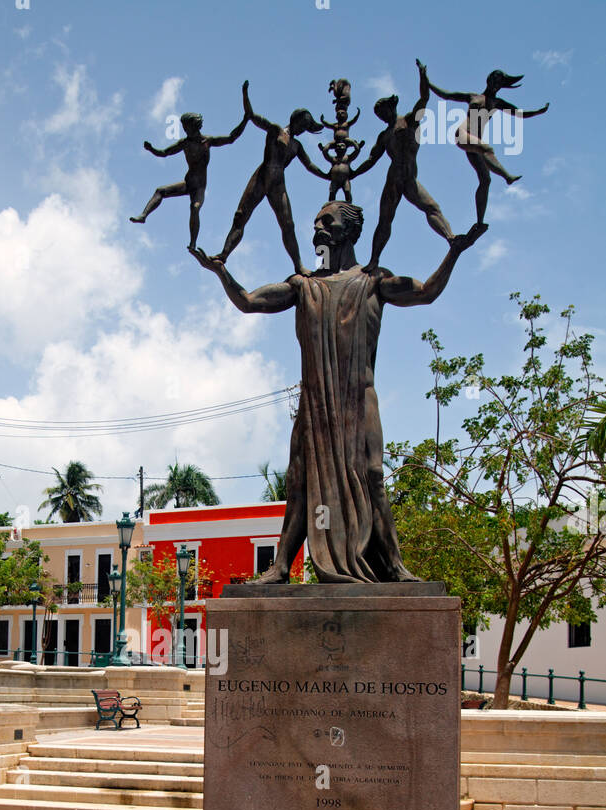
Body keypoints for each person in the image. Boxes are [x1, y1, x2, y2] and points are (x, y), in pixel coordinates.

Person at [191, 201, 486, 583]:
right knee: (299, 479)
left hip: (358, 398)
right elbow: (248, 302)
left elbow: (426, 292)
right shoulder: (304, 286)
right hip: (315, 405)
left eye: (326, 221)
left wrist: (453, 252)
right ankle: (281, 566)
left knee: (374, 474)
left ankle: (394, 565)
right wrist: (221, 271)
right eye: (314, 221)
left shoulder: (374, 281)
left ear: (350, 231)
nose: (317, 228)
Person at [416, 62, 548, 224]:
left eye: (499, 83)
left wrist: (538, 111)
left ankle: (479, 222)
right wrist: (425, 79)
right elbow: (446, 95)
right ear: (488, 81)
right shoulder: (473, 96)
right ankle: (507, 176)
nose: (495, 85)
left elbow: (519, 113)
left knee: (485, 180)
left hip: (474, 145)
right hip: (463, 134)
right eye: (494, 81)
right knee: (487, 148)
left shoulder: (498, 103)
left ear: (501, 86)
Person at [216, 81, 324, 275]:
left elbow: (310, 165)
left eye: (307, 127)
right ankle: (223, 255)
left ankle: (298, 265)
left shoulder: (297, 146)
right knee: (241, 215)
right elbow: (253, 116)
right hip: (262, 175)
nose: (304, 130)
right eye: (304, 125)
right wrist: (245, 95)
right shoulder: (276, 130)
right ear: (296, 120)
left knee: (288, 224)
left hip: (278, 182)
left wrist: (327, 175)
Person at [352, 65, 453, 270]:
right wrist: (352, 173)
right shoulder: (384, 136)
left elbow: (424, 100)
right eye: (378, 114)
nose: (382, 116)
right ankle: (374, 260)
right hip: (395, 177)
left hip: (410, 177)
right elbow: (371, 160)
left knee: (432, 207)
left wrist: (423, 77)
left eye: (382, 111)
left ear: (391, 108)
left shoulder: (409, 121)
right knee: (385, 219)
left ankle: (451, 238)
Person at [130, 108, 248, 250]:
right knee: (160, 191)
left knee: (195, 208)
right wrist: (152, 149)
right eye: (184, 128)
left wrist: (245, 120)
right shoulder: (184, 143)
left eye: (187, 128)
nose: (185, 131)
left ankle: (193, 243)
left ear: (195, 127)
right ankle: (143, 215)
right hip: (188, 183)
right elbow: (165, 153)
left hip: (199, 187)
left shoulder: (207, 141)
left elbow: (231, 138)